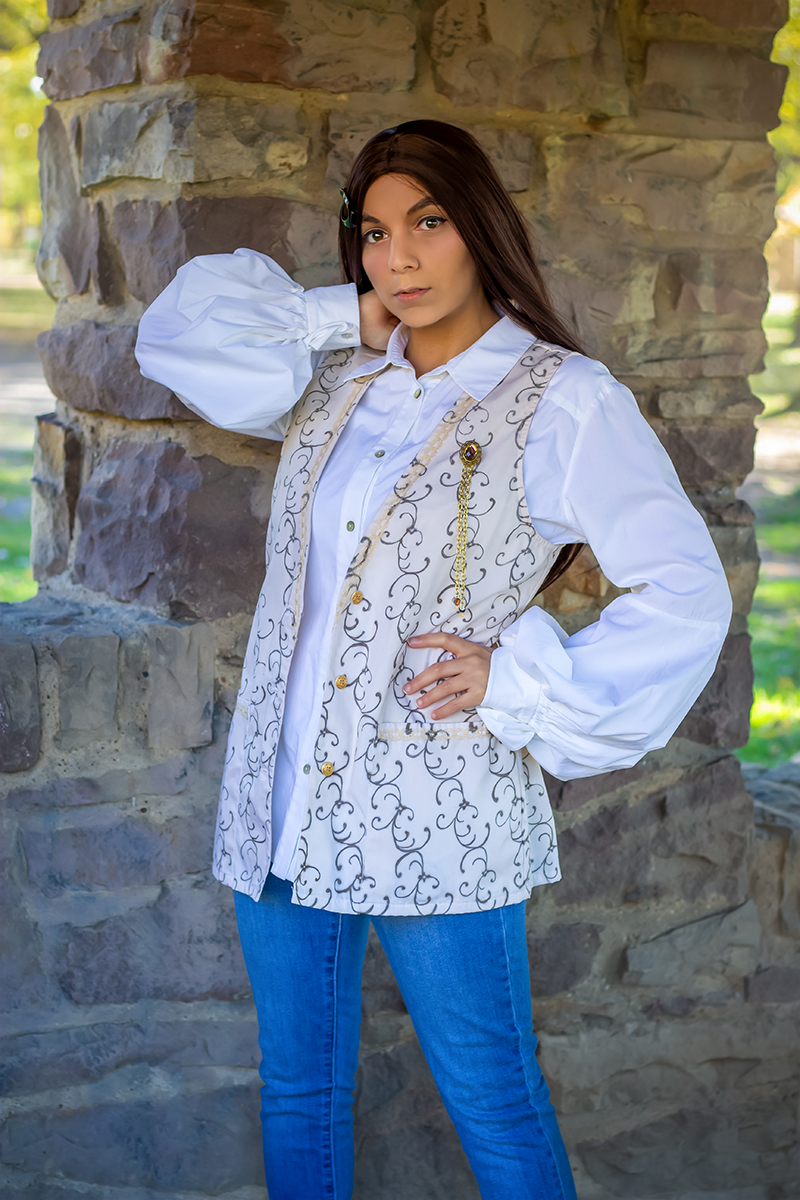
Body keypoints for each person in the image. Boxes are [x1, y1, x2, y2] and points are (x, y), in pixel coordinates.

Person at [135, 120, 732, 1200]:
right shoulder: (337, 376)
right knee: (298, 1090)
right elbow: (174, 334)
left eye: (428, 223)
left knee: (494, 1095)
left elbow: (685, 586)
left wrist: (517, 678)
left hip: (439, 802)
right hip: (283, 791)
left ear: (480, 228)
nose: (398, 259)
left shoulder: (563, 397)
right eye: (373, 234)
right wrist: (341, 315)